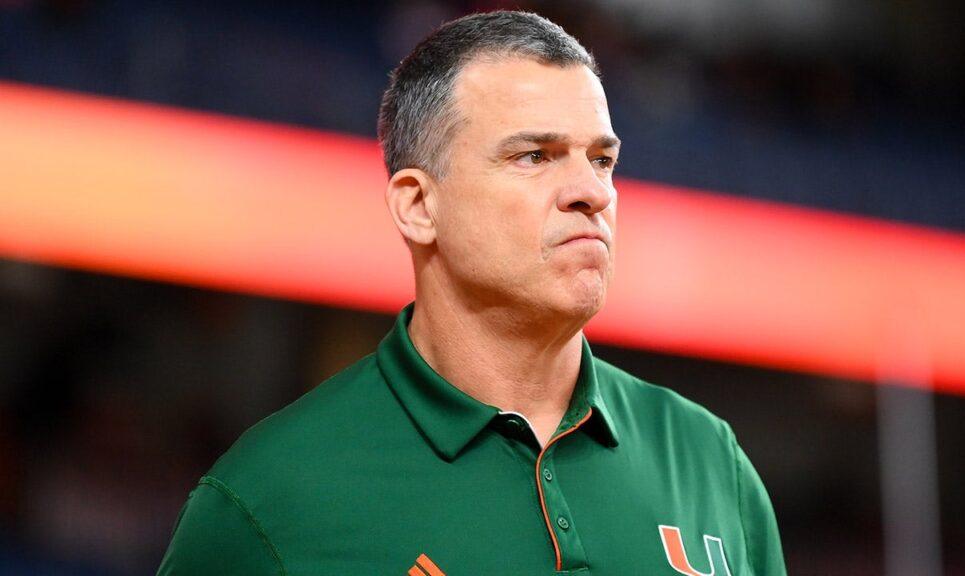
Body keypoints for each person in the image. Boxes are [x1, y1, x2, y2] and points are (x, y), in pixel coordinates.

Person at [157, 11, 786, 575]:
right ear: (418, 206)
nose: (592, 193)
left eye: (601, 160)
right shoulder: (269, 501)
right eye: (534, 156)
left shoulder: (711, 462)